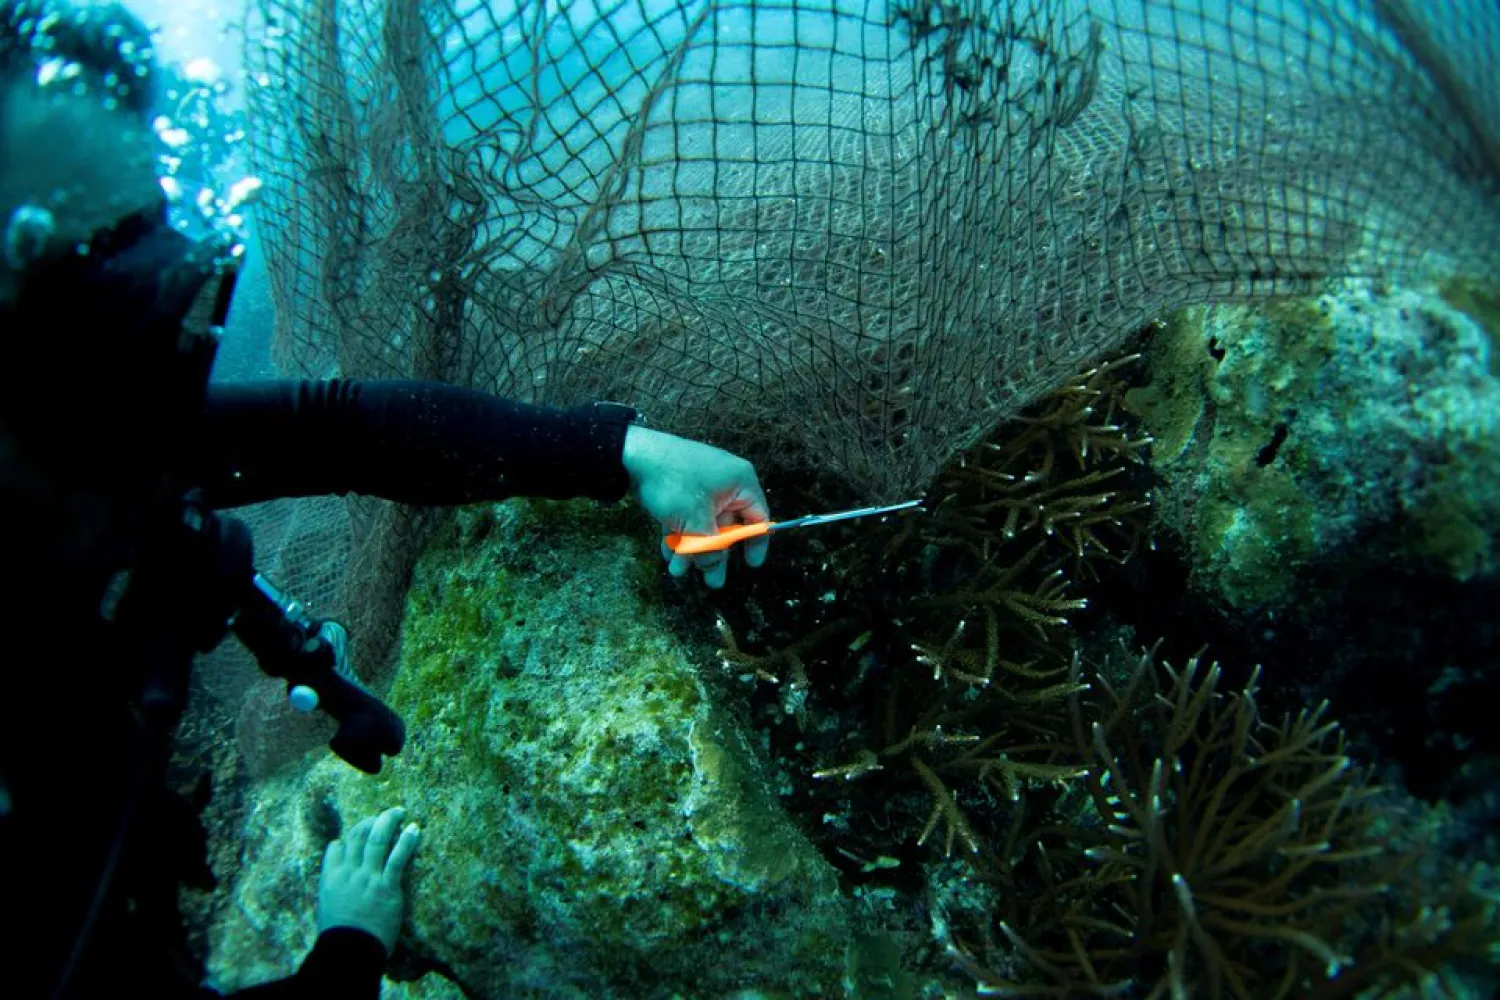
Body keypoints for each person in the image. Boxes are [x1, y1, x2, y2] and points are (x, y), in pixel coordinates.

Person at [0, 1, 772, 996]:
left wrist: (624, 448)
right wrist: (347, 948)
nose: (170, 360)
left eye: (177, 292)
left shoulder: (108, 435)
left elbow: (348, 428)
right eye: (92, 309)